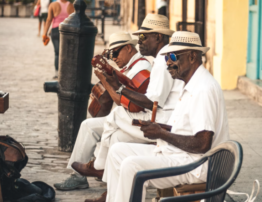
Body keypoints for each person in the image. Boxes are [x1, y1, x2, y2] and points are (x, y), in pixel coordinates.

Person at [100, 31, 229, 202]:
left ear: (192, 57)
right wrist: (160, 129)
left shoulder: (203, 89)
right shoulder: (190, 84)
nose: (168, 62)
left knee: (131, 166)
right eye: (167, 57)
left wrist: (162, 134)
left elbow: (203, 144)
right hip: (181, 154)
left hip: (195, 164)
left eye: (174, 56)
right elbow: (186, 129)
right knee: (117, 151)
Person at [76, 13, 185, 202]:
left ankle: (99, 165)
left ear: (158, 37)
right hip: (163, 116)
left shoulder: (162, 61)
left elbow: (151, 102)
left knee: (117, 114)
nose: (139, 42)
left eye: (144, 37)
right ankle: (111, 194)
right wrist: (120, 86)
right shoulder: (161, 58)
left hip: (163, 123)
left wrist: (118, 88)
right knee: (116, 139)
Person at [53, 32, 152, 191]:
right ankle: (81, 174)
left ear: (128, 48)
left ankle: (98, 171)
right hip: (126, 117)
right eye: (110, 55)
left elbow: (125, 102)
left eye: (115, 53)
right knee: (88, 125)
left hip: (136, 119)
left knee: (98, 129)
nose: (113, 58)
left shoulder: (141, 68)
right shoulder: (130, 67)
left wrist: (105, 80)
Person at [42, 0, 74, 79]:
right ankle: (66, 72)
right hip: (68, 30)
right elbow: (73, 20)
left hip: (56, 30)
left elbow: (49, 19)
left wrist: (45, 33)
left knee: (57, 53)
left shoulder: (53, 5)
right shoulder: (71, 5)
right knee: (67, 53)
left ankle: (57, 73)